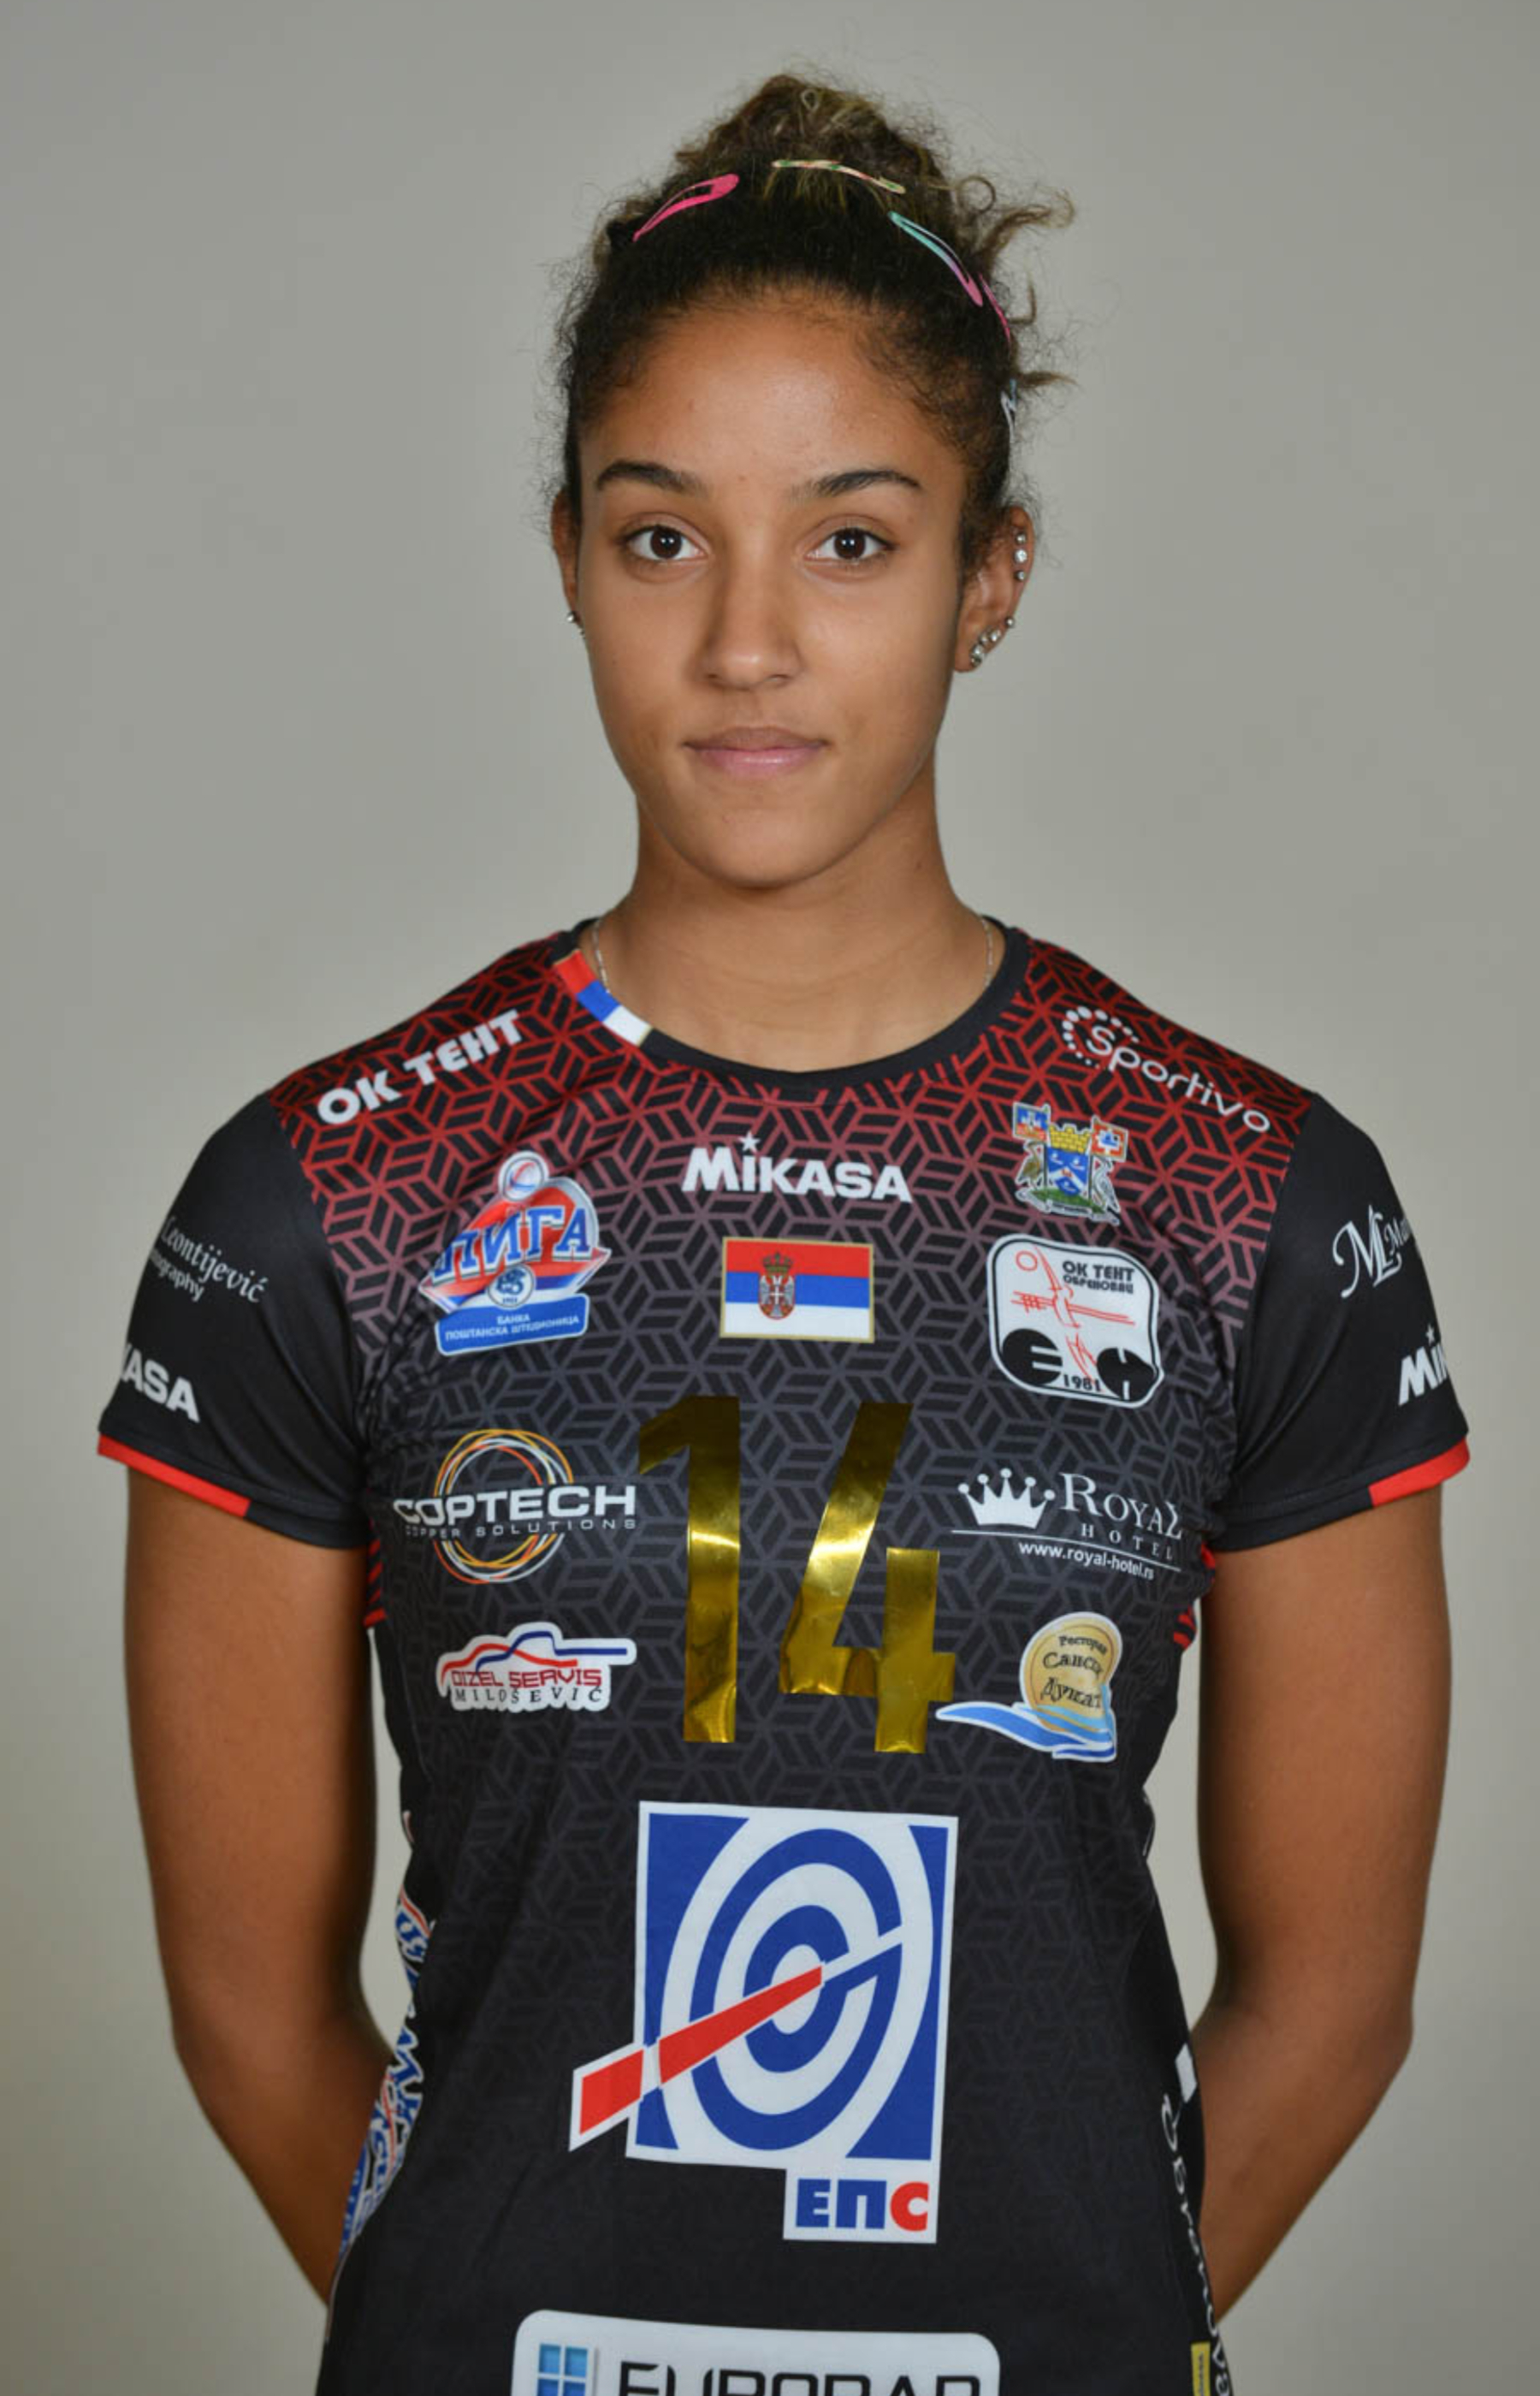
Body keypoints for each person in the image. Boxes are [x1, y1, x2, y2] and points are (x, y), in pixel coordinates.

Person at [98, 69, 1471, 2396]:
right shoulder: (331, 1194)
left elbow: (1334, 2001)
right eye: (664, 538)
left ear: (989, 577)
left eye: (851, 541)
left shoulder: (1249, 1199)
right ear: (566, 556)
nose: (747, 642)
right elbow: (245, 2005)